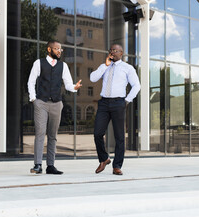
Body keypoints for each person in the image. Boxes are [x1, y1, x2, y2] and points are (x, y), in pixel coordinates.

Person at [27, 40, 82, 175]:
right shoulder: (39, 63)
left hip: (57, 104)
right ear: (49, 49)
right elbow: (31, 81)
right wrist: (33, 99)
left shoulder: (63, 66)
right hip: (41, 103)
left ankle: (50, 165)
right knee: (40, 133)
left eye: (60, 49)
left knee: (53, 136)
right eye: (57, 49)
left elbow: (68, 84)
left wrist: (74, 87)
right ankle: (38, 164)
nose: (59, 51)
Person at [90, 44, 140, 175]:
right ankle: (104, 159)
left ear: (121, 53)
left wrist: (127, 100)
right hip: (104, 103)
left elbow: (136, 86)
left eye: (115, 50)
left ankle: (117, 166)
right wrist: (105, 66)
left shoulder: (127, 68)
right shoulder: (104, 66)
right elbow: (92, 78)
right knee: (97, 133)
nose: (112, 52)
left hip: (119, 102)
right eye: (111, 50)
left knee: (119, 137)